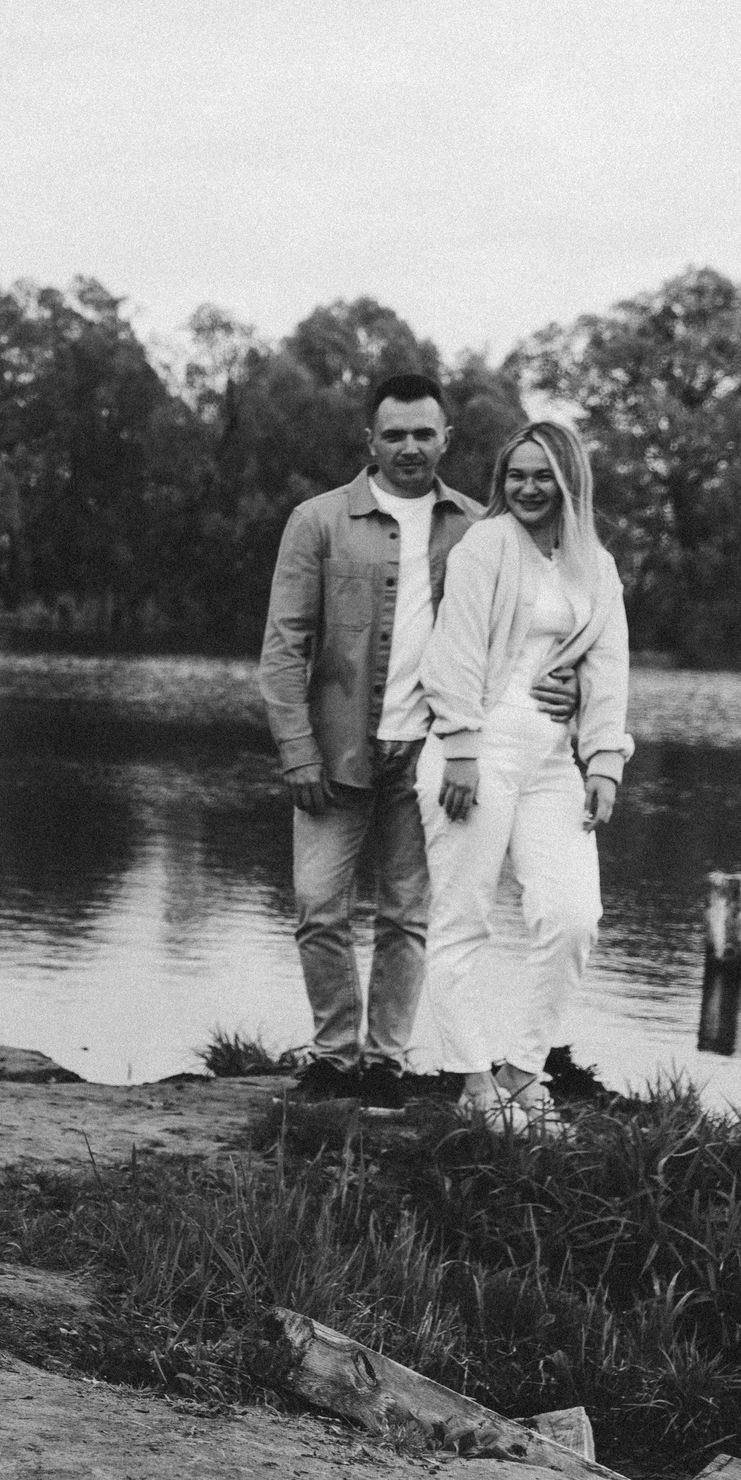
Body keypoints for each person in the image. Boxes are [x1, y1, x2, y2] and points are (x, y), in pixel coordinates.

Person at [259, 373, 575, 1108]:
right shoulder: (318, 521)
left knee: (408, 913)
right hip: (335, 751)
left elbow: (540, 628)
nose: (408, 446)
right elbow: (283, 648)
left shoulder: (480, 528)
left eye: (422, 433)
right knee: (318, 903)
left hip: (436, 753)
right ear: (369, 439)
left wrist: (576, 690)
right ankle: (335, 1056)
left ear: (446, 440)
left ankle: (385, 1064)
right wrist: (296, 748)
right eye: (393, 433)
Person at [417, 421, 630, 1130]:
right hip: (473, 750)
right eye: (517, 474)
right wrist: (462, 745)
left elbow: (608, 668)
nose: (529, 488)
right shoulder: (486, 543)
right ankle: (474, 1079)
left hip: (551, 762)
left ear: (571, 482)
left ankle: (520, 1069)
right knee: (462, 913)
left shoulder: (593, 564)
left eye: (544, 476)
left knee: (574, 916)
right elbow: (455, 649)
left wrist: (603, 761)